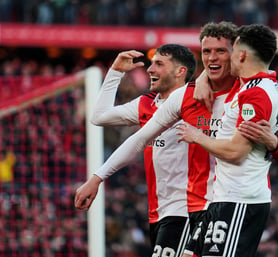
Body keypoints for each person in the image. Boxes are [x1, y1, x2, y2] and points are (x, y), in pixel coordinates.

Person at [75, 22, 278, 256]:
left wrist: (272, 142)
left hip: (231, 201)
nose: (212, 58)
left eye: (220, 51)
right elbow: (139, 138)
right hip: (195, 207)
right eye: (207, 51)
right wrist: (98, 177)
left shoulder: (248, 93)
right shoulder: (187, 95)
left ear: (236, 54)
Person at [76, 44, 198, 257]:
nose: (150, 69)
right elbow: (99, 116)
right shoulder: (146, 104)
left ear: (180, 72)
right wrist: (116, 72)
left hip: (187, 209)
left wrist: (97, 178)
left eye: (159, 64)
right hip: (158, 211)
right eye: (152, 64)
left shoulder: (195, 103)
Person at [177, 24, 278, 257]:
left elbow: (236, 152)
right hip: (222, 197)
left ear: (242, 54)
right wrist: (203, 77)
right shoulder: (261, 85)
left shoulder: (255, 94)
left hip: (240, 199)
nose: (227, 58)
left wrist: (196, 136)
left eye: (231, 51)